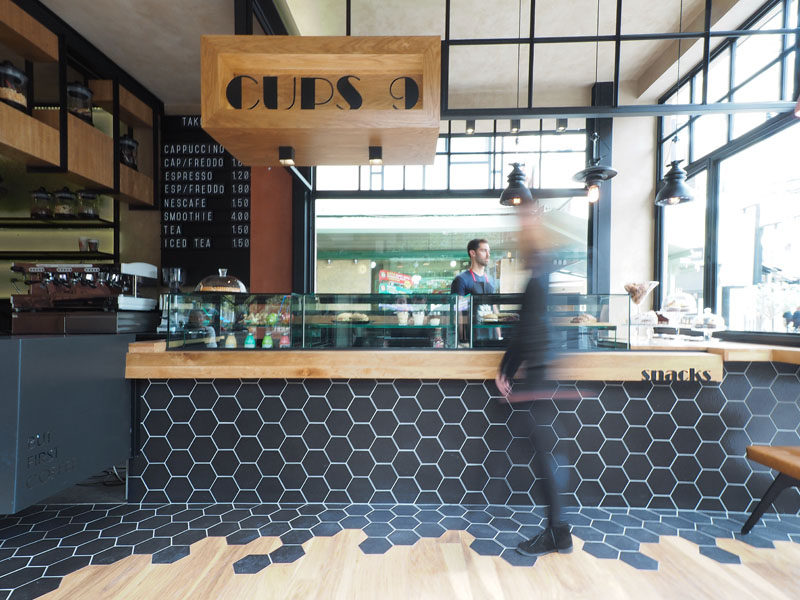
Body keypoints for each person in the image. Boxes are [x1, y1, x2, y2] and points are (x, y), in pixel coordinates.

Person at [494, 205, 573, 558]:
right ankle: (559, 531)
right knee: (546, 456)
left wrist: (507, 369)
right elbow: (530, 325)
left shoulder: (537, 276)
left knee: (545, 459)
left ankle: (558, 533)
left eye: (520, 229)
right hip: (543, 374)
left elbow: (528, 328)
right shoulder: (541, 272)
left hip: (539, 376)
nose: (516, 234)